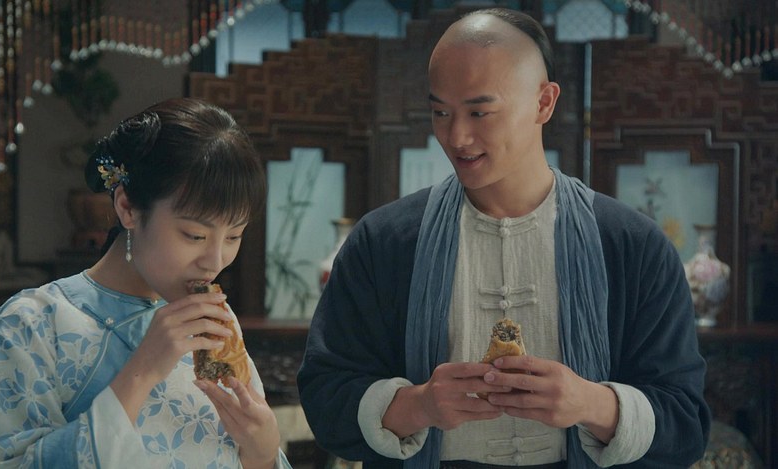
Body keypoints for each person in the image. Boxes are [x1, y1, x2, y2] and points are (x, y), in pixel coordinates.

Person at [297, 8, 710, 469]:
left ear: (544, 102)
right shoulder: (383, 242)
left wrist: (592, 404)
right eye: (440, 112)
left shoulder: (634, 246)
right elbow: (325, 395)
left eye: (480, 111)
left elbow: (685, 423)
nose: (457, 136)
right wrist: (419, 405)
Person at [0, 97, 291, 469]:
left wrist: (262, 455)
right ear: (127, 207)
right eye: (195, 235)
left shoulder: (218, 325)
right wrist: (142, 371)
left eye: (234, 236)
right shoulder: (34, 322)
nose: (215, 260)